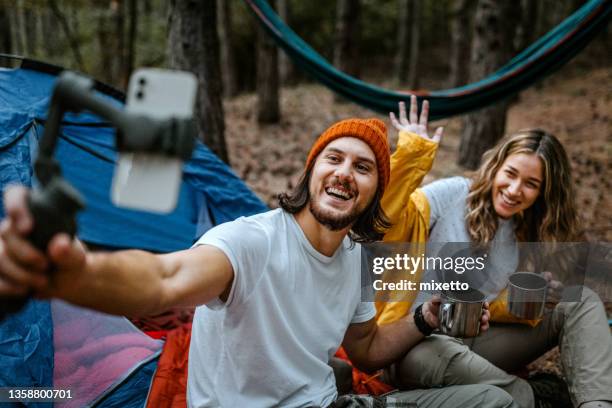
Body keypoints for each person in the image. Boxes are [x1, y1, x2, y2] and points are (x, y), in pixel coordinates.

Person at [0, 115, 513, 407]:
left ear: (375, 191)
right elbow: (164, 278)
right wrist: (76, 273)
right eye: (333, 159)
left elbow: (368, 351)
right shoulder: (251, 241)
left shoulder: (357, 257)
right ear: (311, 172)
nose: (344, 174)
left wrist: (428, 317)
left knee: (499, 402)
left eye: (363, 168)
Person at [376, 96, 612, 408]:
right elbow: (386, 222)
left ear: (544, 192)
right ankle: (537, 398)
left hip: (474, 343)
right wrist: (410, 157)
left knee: (580, 300)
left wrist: (534, 302)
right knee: (445, 357)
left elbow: (492, 305)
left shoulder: (526, 231)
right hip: (415, 343)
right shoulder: (454, 194)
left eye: (531, 184)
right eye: (511, 174)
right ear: (496, 166)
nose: (515, 190)